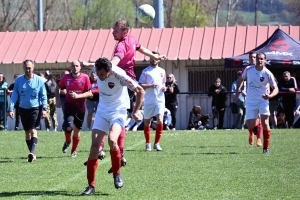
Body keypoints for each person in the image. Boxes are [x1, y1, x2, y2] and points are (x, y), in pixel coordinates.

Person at [82, 20, 167, 170]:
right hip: (129, 79)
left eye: (116, 31)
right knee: (119, 117)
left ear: (124, 32)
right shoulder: (132, 39)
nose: (113, 32)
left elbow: (113, 64)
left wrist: (97, 67)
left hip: (121, 81)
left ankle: (105, 150)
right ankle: (117, 153)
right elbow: (142, 49)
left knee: (113, 114)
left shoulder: (121, 45)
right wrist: (156, 57)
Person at [81, 57, 145, 195]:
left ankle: (117, 174)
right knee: (94, 148)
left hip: (118, 111)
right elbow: (95, 65)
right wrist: (88, 63)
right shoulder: (97, 70)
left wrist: (136, 111)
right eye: (98, 74)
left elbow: (140, 91)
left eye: (102, 74)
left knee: (112, 140)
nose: (100, 77)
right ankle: (91, 186)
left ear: (109, 71)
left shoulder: (119, 75)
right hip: (103, 110)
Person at [234, 52, 278, 154]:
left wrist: (270, 95)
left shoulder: (267, 73)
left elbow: (275, 88)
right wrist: (237, 93)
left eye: (262, 59)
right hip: (250, 100)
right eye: (258, 58)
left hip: (263, 100)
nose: (259, 60)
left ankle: (266, 148)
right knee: (250, 125)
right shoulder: (249, 70)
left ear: (265, 60)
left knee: (265, 123)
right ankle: (255, 127)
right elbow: (241, 79)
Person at [7, 60, 47, 162]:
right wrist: (10, 108)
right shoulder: (19, 80)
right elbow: (15, 94)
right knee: (27, 133)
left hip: (35, 108)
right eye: (26, 68)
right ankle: (32, 154)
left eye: (29, 68)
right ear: (23, 68)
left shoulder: (39, 80)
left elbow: (43, 95)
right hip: (23, 108)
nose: (28, 70)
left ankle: (32, 153)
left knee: (33, 130)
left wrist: (44, 108)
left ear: (33, 68)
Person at [55, 60, 92, 157]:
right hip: (69, 106)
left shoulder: (85, 77)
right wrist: (58, 100)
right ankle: (67, 141)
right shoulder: (66, 77)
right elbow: (57, 87)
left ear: (80, 67)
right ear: (70, 67)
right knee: (68, 127)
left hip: (80, 108)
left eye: (77, 66)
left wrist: (78, 96)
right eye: (73, 66)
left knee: (76, 131)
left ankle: (74, 150)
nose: (75, 68)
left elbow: (89, 93)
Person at [139, 51, 166, 151]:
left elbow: (163, 83)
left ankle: (157, 143)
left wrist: (164, 88)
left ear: (158, 59)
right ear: (149, 58)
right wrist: (151, 85)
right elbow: (140, 84)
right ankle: (148, 143)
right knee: (147, 122)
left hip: (160, 99)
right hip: (149, 100)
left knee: (160, 120)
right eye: (152, 57)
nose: (153, 60)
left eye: (155, 58)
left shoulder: (162, 71)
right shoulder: (146, 71)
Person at [243, 51, 263, 146]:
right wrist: (241, 91)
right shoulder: (247, 69)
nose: (253, 59)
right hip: (250, 98)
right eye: (251, 57)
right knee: (249, 120)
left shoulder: (263, 69)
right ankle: (251, 133)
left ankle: (259, 139)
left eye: (254, 57)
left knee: (260, 118)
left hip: (260, 98)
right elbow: (242, 81)